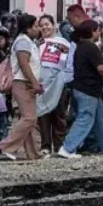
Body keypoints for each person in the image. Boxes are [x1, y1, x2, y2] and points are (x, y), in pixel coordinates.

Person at [57, 20, 103, 159]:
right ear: (92, 31)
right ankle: (68, 148)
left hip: (85, 88)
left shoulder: (79, 46)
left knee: (101, 119)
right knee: (85, 118)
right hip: (88, 89)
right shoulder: (91, 47)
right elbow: (100, 68)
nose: (99, 33)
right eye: (97, 30)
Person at [0, 14, 44, 160]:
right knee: (29, 118)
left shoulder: (28, 42)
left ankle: (33, 153)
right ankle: (5, 146)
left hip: (26, 83)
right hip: (22, 83)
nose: (39, 29)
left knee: (29, 119)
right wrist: (34, 82)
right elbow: (24, 65)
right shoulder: (23, 42)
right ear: (28, 28)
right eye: (36, 26)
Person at [36, 15, 72, 155]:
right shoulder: (37, 44)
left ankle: (59, 145)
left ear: (54, 25)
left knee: (59, 115)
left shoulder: (63, 43)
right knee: (43, 115)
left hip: (59, 85)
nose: (45, 27)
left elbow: (67, 64)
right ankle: (45, 146)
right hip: (42, 86)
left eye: (47, 24)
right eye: (42, 25)